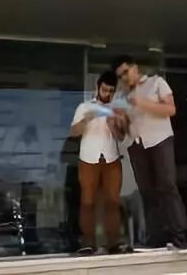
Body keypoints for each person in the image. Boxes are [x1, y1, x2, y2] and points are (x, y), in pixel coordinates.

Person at [112, 55, 187, 250]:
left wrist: (142, 103)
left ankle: (179, 237)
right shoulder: (121, 97)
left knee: (167, 186)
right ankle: (156, 238)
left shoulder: (156, 82)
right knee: (147, 191)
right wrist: (119, 120)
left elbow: (170, 109)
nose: (124, 78)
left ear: (135, 67)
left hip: (159, 140)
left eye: (126, 72)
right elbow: (121, 132)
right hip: (136, 144)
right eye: (120, 76)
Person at [68, 71, 131, 256]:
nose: (107, 94)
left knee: (112, 201)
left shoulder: (117, 109)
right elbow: (73, 132)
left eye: (111, 91)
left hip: (111, 158)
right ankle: (88, 243)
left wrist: (116, 122)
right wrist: (88, 118)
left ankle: (114, 242)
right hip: (88, 159)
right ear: (97, 87)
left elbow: (122, 136)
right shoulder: (84, 107)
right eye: (105, 90)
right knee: (87, 201)